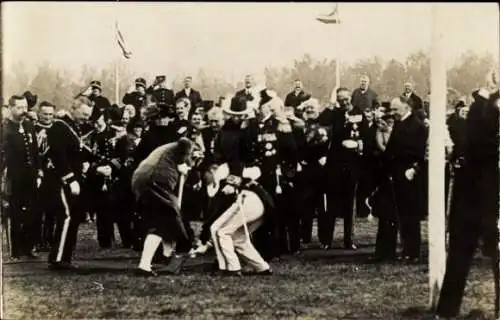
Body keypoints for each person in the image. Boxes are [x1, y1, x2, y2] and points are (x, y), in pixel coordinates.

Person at [436, 74, 499, 319]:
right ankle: (446, 311)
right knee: (460, 254)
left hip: (490, 196)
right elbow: (476, 132)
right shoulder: (479, 116)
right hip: (475, 196)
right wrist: (486, 93)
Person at [132, 137, 201, 276]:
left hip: (143, 179)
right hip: (155, 178)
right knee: (161, 222)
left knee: (164, 219)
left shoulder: (169, 153)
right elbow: (184, 142)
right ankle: (144, 266)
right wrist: (183, 162)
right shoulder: (183, 147)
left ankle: (165, 256)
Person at [44, 96, 94, 270]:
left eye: (89, 114)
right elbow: (58, 155)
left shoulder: (74, 128)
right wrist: (70, 178)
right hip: (61, 181)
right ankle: (57, 259)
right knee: (66, 217)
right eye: (84, 113)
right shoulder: (60, 126)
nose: (86, 117)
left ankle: (65, 257)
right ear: (74, 109)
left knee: (72, 218)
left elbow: (76, 154)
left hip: (73, 181)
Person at [0, 94, 43, 261]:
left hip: (31, 177)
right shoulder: (5, 128)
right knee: (14, 212)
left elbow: (35, 152)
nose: (23, 111)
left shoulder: (29, 125)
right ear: (11, 108)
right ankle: (15, 250)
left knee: (33, 211)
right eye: (19, 108)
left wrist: (39, 171)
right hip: (13, 177)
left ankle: (29, 246)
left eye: (25, 107)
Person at [324, 87, 364, 250]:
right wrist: (331, 105)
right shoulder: (336, 113)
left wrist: (360, 144)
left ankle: (349, 240)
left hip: (352, 163)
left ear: (350, 98)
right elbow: (323, 120)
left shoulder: (358, 112)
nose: (344, 102)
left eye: (346, 99)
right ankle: (327, 240)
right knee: (332, 204)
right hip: (335, 163)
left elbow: (366, 132)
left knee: (350, 205)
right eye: (340, 99)